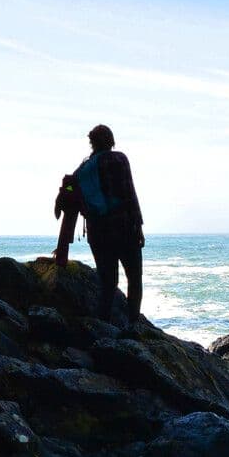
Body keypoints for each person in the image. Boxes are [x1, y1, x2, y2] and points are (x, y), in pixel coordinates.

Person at [58, 124, 145, 324]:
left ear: (92, 143)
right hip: (124, 228)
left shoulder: (84, 168)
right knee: (134, 278)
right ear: (111, 141)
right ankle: (133, 325)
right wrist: (139, 226)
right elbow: (129, 194)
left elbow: (70, 189)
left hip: (97, 231)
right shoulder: (119, 159)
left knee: (107, 283)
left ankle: (103, 325)